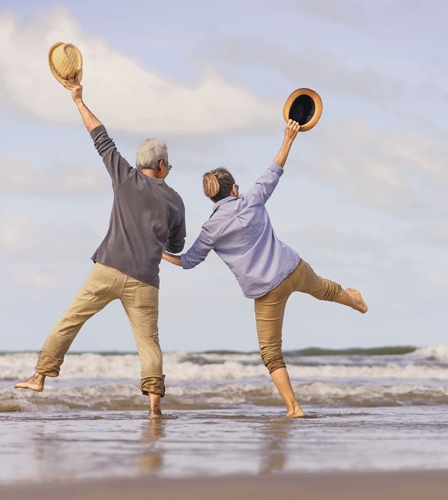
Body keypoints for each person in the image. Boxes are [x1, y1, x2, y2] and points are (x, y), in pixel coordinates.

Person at [162, 119, 368, 418]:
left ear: (212, 197)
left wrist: (160, 253)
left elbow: (188, 261)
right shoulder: (252, 198)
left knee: (271, 353)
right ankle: (357, 304)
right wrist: (289, 138)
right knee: (326, 289)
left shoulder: (211, 228)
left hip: (265, 290)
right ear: (234, 188)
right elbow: (276, 168)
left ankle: (294, 408)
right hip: (291, 267)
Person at [15, 78, 186, 419]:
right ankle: (154, 407)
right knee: (149, 344)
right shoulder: (175, 201)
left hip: (108, 268)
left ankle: (39, 377)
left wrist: (78, 100)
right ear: (163, 165)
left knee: (70, 321)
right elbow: (176, 245)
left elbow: (100, 136)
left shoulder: (125, 177)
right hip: (145, 282)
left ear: (142, 164)